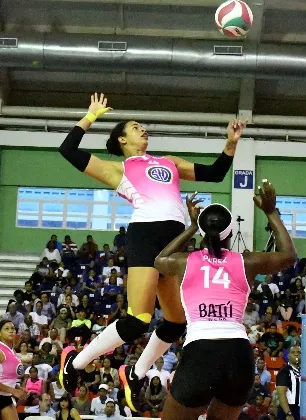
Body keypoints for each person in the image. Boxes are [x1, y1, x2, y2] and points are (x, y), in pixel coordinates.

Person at [58, 92, 246, 397]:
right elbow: (67, 149)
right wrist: (91, 116)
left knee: (175, 321)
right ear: (121, 140)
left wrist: (231, 143)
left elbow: (215, 173)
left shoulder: (168, 162)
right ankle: (76, 363)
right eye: (134, 127)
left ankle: (136, 372)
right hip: (146, 233)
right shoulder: (118, 169)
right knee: (138, 320)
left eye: (142, 126)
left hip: (173, 240)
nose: (142, 128)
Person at [152, 180, 297, 420]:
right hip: (237, 356)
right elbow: (289, 256)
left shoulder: (184, 261)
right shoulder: (245, 261)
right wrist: (270, 212)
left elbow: (159, 260)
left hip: (201, 352)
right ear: (229, 233)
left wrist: (191, 226)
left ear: (202, 233)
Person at [0, 320, 28, 420]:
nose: (11, 331)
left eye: (13, 329)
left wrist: (17, 387)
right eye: (6, 329)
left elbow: (4, 377)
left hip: (5, 396)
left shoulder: (12, 351)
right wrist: (13, 391)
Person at [276, 346, 301, 420]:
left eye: (298, 352)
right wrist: (288, 413)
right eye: (293, 352)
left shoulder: (304, 372)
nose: (296, 354)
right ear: (288, 356)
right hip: (288, 409)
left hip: (301, 409)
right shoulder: (284, 371)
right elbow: (281, 394)